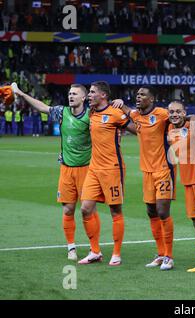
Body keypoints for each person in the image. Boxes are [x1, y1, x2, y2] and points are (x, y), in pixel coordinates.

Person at [13, 83, 93, 261]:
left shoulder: (91, 115)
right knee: (68, 209)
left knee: (88, 210)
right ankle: (71, 247)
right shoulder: (61, 112)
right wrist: (22, 93)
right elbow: (42, 107)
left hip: (87, 169)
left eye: (75, 94)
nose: (71, 96)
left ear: (83, 98)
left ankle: (94, 249)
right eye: (69, 93)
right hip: (66, 169)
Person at [113, 86, 176, 270]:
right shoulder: (135, 115)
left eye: (142, 95)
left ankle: (169, 257)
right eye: (137, 95)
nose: (138, 97)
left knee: (163, 211)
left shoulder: (163, 114)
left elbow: (180, 119)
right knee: (151, 211)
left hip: (164, 168)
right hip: (147, 171)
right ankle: (161, 253)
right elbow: (128, 112)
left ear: (152, 99)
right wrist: (120, 104)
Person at [78, 81, 130, 266]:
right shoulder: (91, 113)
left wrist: (123, 105)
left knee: (115, 210)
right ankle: (95, 251)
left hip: (112, 168)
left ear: (103, 95)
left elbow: (135, 127)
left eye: (92, 92)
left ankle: (116, 253)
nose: (89, 95)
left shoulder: (115, 113)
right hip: (94, 168)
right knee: (85, 208)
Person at [167, 100, 195, 272]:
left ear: (184, 112)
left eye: (178, 111)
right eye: (171, 112)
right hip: (187, 183)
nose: (175, 115)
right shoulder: (171, 129)